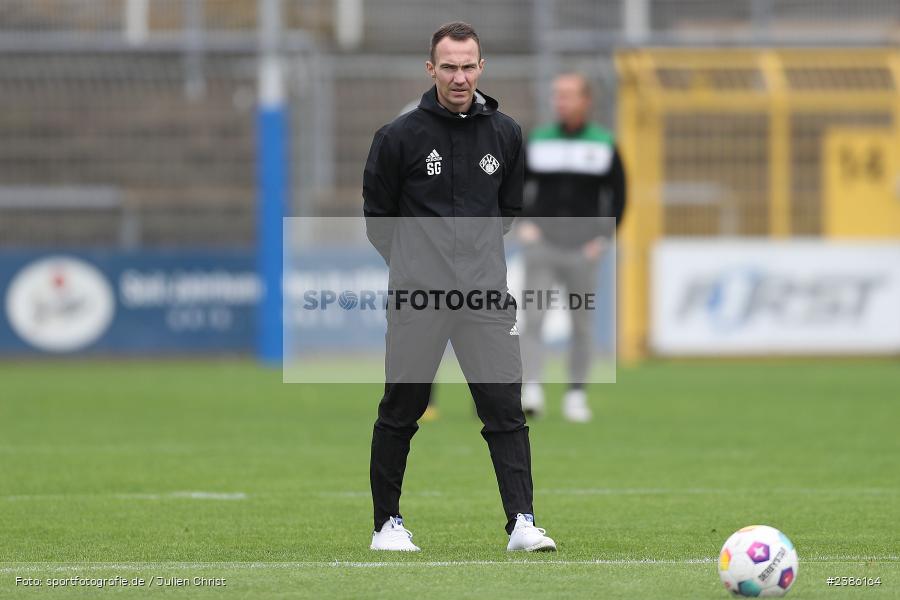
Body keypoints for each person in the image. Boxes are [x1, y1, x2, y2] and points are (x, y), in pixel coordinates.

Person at [362, 22, 556, 552]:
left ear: (481, 67)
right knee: (401, 409)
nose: (459, 76)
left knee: (505, 411)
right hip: (418, 299)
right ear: (431, 70)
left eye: (468, 65)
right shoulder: (397, 137)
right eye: (448, 66)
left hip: (485, 298)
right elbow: (379, 221)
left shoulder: (507, 134)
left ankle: (522, 522)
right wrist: (416, 269)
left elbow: (507, 211)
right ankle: (387, 526)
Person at [519, 73, 627, 422]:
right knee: (533, 318)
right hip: (544, 248)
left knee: (581, 326)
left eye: (567, 95)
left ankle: (576, 395)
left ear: (585, 100)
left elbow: (620, 195)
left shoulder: (603, 143)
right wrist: (525, 223)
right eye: (557, 95)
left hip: (583, 252)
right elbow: (517, 187)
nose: (560, 101)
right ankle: (531, 388)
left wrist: (604, 238)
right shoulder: (539, 140)